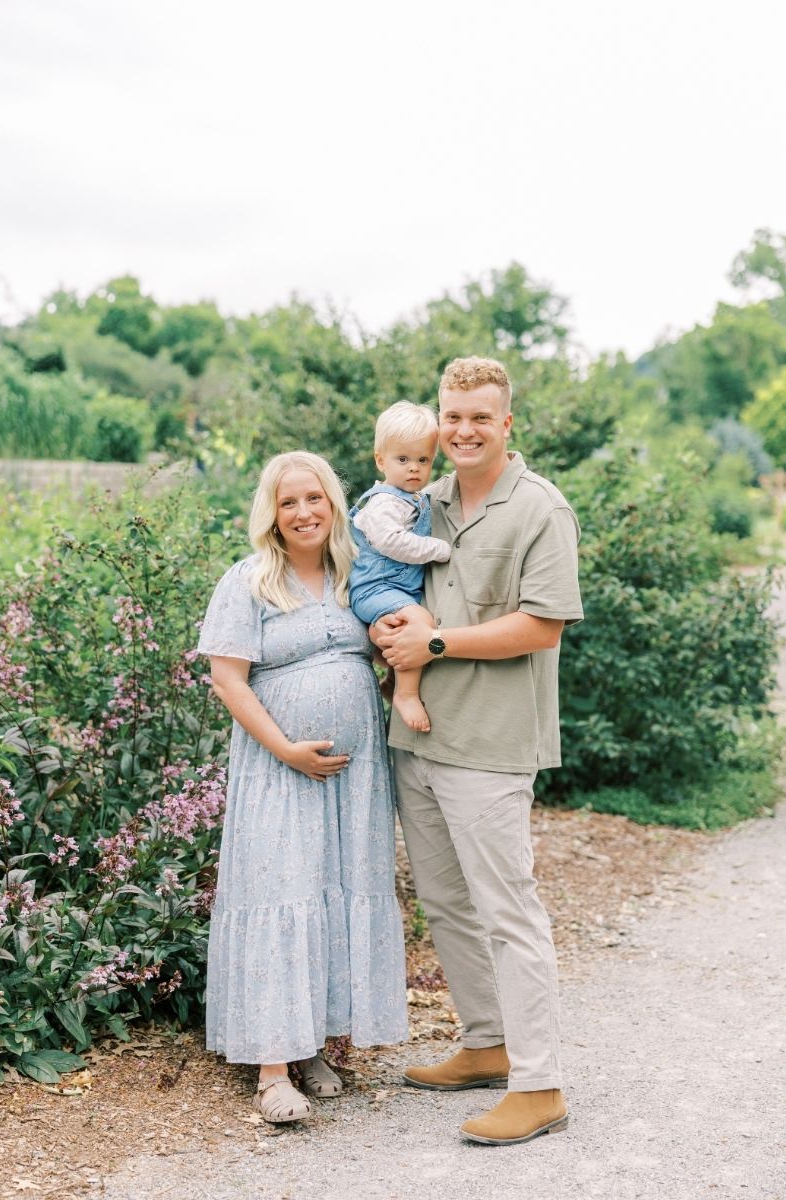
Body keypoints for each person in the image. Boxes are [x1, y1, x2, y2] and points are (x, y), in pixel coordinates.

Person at [377, 356, 582, 1147]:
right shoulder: (417, 500)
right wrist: (385, 629)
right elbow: (384, 588)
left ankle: (540, 1086)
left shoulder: (539, 509)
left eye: (479, 418)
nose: (462, 431)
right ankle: (486, 1042)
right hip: (420, 733)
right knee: (446, 903)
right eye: (451, 416)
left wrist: (433, 640)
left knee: (509, 911)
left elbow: (543, 624)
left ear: (507, 423)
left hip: (491, 746)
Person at [197, 450, 408, 1124]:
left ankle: (312, 1045)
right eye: (289, 502)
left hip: (354, 778)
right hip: (278, 768)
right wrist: (287, 747)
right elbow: (228, 679)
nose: (304, 512)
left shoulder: (358, 576)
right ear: (272, 513)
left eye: (314, 498)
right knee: (282, 890)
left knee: (334, 892)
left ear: (334, 505)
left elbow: (392, 645)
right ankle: (270, 1071)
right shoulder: (249, 580)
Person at [346, 401, 451, 733]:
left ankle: (392, 682)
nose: (414, 468)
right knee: (420, 621)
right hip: (374, 588)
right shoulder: (384, 503)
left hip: (392, 588)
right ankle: (406, 695)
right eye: (402, 459)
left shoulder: (412, 498)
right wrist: (438, 549)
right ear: (381, 460)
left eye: (423, 460)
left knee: (407, 624)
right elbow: (393, 543)